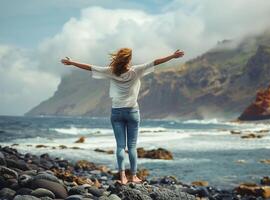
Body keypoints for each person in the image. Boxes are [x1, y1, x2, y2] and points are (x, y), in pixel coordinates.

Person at [60, 48, 184, 184]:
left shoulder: (111, 71)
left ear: (119, 58)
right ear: (129, 59)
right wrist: (172, 56)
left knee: (120, 146)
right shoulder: (136, 70)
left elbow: (90, 67)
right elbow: (155, 62)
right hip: (132, 112)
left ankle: (123, 176)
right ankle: (134, 176)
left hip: (116, 112)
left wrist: (72, 63)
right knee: (131, 147)